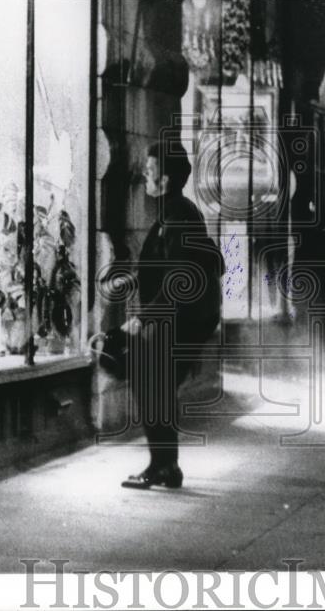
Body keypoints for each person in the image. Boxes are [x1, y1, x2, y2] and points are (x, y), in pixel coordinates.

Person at [120, 141, 223, 490]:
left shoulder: (178, 216)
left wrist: (143, 317)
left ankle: (162, 465)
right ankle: (166, 466)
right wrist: (135, 280)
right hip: (178, 320)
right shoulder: (174, 212)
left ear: (164, 179)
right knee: (156, 389)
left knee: (152, 387)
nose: (144, 177)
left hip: (180, 322)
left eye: (149, 171)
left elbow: (180, 279)